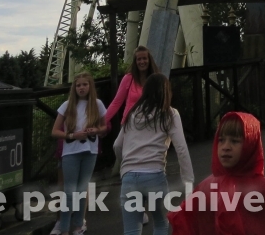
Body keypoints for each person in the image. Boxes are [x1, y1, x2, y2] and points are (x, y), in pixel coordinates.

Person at [168, 111, 265, 235]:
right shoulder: (207, 186)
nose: (226, 147)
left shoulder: (263, 189)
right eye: (221, 140)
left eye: (235, 141)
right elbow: (188, 221)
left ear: (250, 144)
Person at [113, 73, 194, 235]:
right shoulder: (169, 114)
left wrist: (125, 167)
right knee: (161, 224)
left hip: (129, 178)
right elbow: (181, 149)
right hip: (154, 176)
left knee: (131, 230)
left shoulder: (132, 114)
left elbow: (117, 145)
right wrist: (188, 182)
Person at [50, 72, 108, 235]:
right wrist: (72, 135)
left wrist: (96, 130)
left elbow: (104, 127)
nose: (81, 88)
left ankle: (78, 226)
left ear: (90, 86)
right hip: (71, 151)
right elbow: (54, 131)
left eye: (84, 84)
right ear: (74, 88)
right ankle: (63, 228)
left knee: (82, 190)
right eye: (78, 85)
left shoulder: (97, 104)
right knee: (70, 191)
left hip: (90, 151)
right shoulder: (67, 105)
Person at [104, 45, 160, 126]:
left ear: (149, 60)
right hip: (130, 124)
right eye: (139, 59)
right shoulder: (129, 78)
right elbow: (116, 102)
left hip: (149, 124)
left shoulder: (156, 80)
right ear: (135, 62)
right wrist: (102, 122)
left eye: (144, 58)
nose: (142, 62)